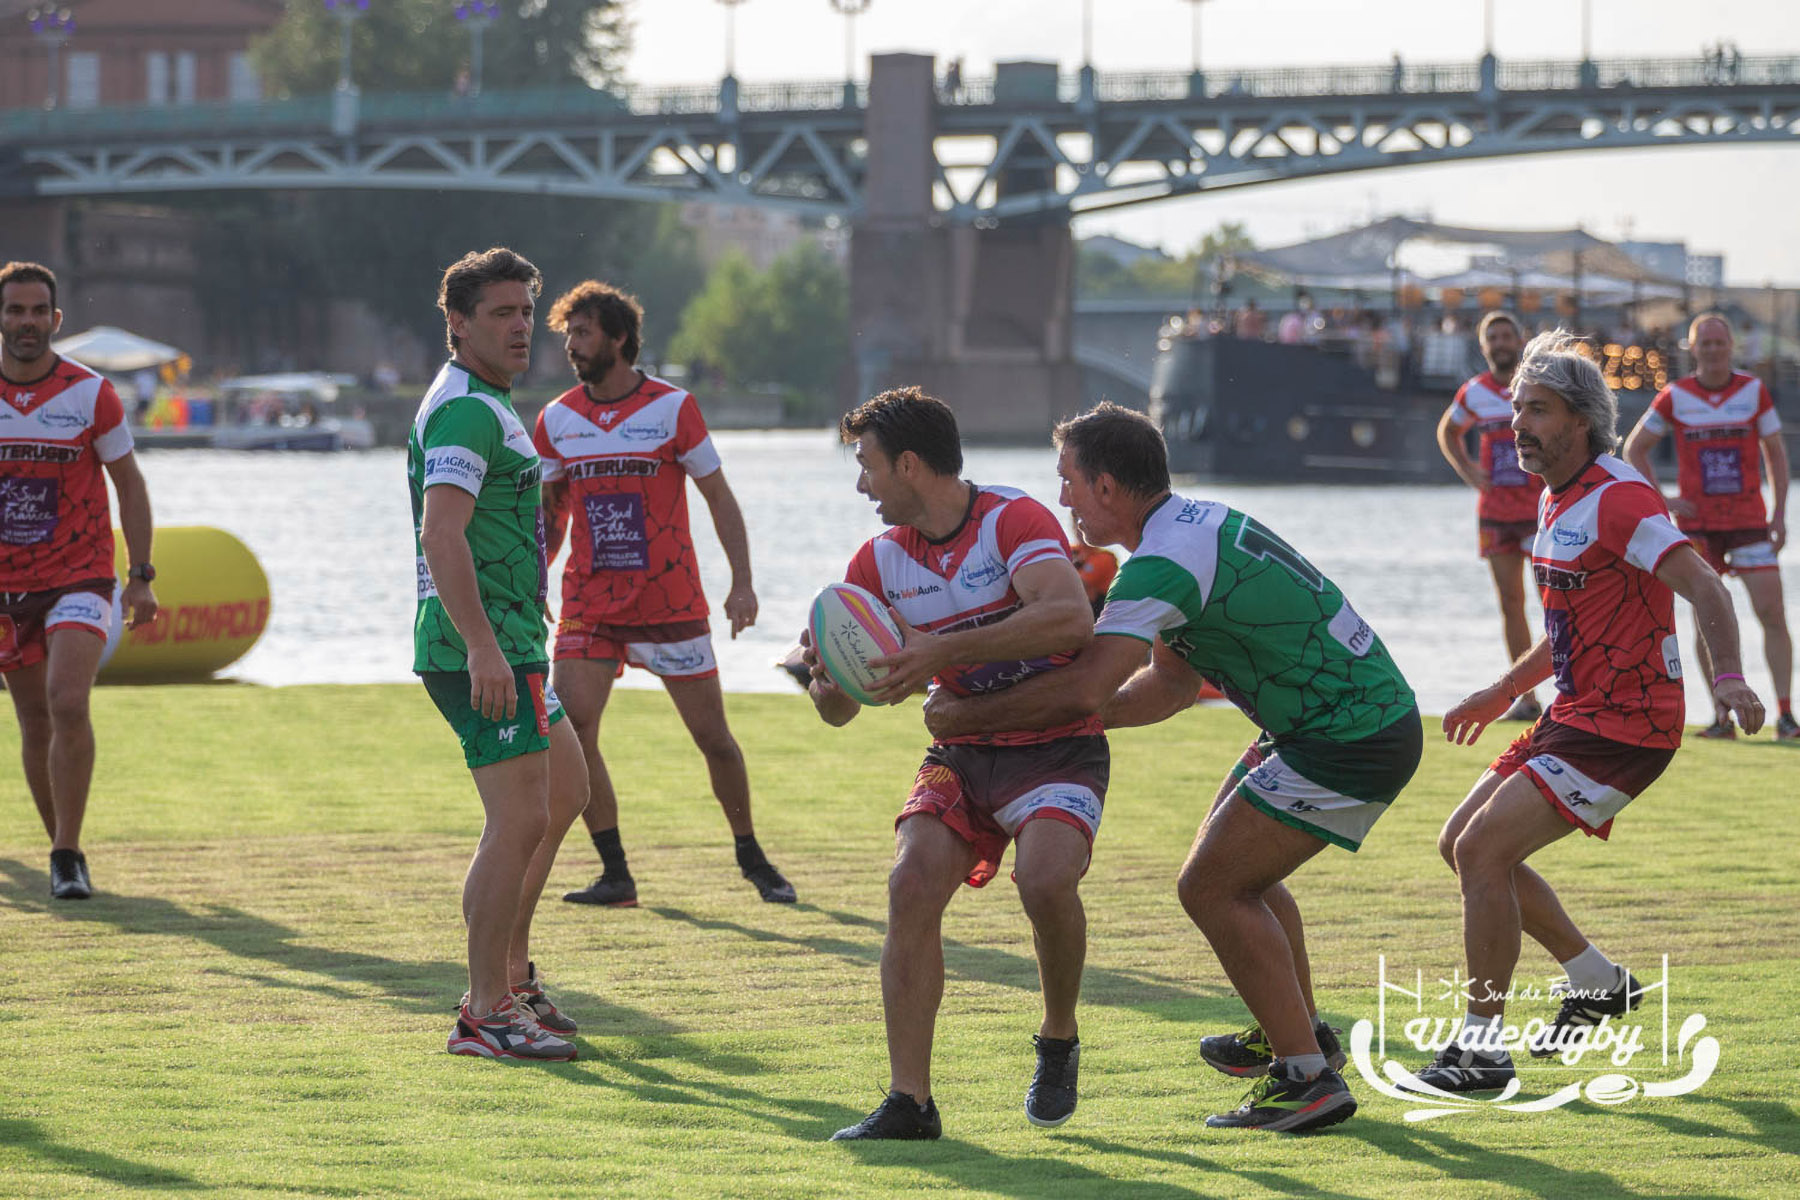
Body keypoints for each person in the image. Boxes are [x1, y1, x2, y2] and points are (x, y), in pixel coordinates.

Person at [924, 401, 1422, 1135]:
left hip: (1348, 736)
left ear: (1106, 487)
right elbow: (1169, 688)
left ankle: (1306, 1080)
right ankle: (1301, 1033)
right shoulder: (1188, 523)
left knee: (1212, 887)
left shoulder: (1158, 565)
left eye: (1067, 481)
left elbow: (1088, 686)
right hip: (1334, 722)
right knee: (1238, 872)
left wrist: (964, 716)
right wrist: (1073, 719)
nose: (1061, 499)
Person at [1421, 331, 1763, 1093]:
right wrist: (1501, 690)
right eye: (1516, 411)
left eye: (1536, 411)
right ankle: (1596, 979)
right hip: (1578, 713)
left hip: (1630, 724)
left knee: (1482, 853)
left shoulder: (1621, 496)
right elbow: (1571, 625)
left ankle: (1481, 1052)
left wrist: (1733, 678)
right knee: (1462, 846)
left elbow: (1705, 587)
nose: (1518, 427)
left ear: (1580, 418)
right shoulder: (1556, 495)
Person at [811, 387, 1103, 1140]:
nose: (861, 485)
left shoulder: (1013, 519)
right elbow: (839, 709)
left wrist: (940, 650)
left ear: (908, 464)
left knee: (1044, 880)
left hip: (1056, 741)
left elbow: (1069, 615)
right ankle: (910, 1102)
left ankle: (1059, 1034)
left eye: (867, 466)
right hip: (963, 752)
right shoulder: (875, 561)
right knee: (909, 883)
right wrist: (830, 671)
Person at [536, 281, 794, 908]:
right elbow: (551, 516)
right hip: (590, 605)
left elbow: (719, 498)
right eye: (568, 334)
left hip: (670, 606)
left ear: (619, 338)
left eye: (583, 333)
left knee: (713, 739)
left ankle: (751, 854)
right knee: (573, 729)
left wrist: (742, 582)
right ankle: (615, 872)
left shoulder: (675, 408)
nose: (572, 346)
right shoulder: (555, 419)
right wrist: (533, 577)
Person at [411, 247, 588, 1061]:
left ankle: (510, 975)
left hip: (514, 642)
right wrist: (482, 647)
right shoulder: (466, 411)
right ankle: (483, 1010)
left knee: (568, 790)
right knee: (516, 819)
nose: (521, 327)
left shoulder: (493, 400)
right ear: (457, 323)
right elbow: (440, 532)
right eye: (501, 314)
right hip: (478, 647)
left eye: (526, 311)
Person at [0, 260, 158, 901]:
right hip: (7, 587)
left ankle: (66, 853)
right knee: (34, 720)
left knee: (67, 699)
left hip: (81, 576)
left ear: (56, 320)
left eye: (39, 311)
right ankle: (62, 849)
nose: (28, 322)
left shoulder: (92, 393)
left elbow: (131, 486)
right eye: (16, 310)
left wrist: (141, 576)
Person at [1622, 312, 1794, 741]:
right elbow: (1634, 449)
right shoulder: (1676, 396)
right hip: (1697, 529)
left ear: (1730, 346)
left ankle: (1786, 714)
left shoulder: (1753, 392)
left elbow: (1775, 454)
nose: (1713, 350)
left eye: (1720, 343)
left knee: (1772, 613)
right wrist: (1663, 501)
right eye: (1705, 344)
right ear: (1693, 349)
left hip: (1750, 523)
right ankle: (1721, 716)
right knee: (1706, 620)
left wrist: (1778, 513)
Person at [1438, 311, 1544, 721]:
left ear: (1521, 340)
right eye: (1493, 337)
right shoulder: (1475, 392)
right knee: (1511, 604)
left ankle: (1575, 692)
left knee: (1558, 601)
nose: (1501, 343)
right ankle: (1528, 699)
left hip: (1539, 512)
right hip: (1496, 513)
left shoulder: (1538, 387)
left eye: (1507, 336)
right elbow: (1448, 431)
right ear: (1484, 347)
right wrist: (1467, 470)